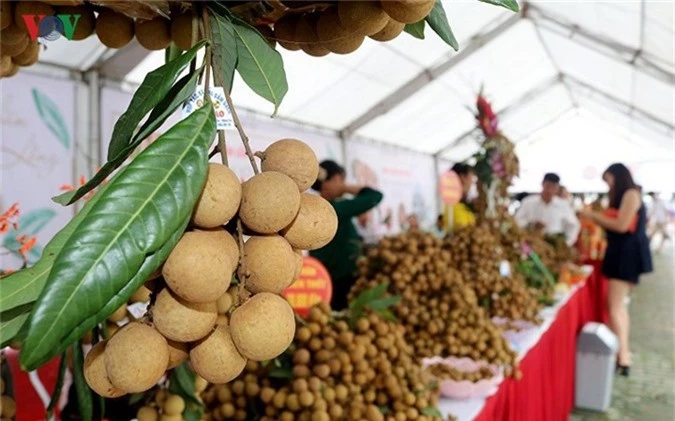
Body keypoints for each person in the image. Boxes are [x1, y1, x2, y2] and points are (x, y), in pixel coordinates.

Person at [579, 163, 653, 376]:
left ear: (618, 176)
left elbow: (621, 225)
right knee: (617, 307)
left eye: (608, 180)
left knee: (615, 307)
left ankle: (622, 356)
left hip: (626, 256)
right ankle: (621, 352)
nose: (608, 185)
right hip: (619, 254)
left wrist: (592, 216)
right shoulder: (624, 195)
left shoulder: (631, 194)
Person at [310, 160, 383, 311]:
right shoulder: (334, 209)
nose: (342, 184)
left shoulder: (319, 208)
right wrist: (345, 188)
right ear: (333, 180)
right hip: (340, 281)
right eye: (340, 180)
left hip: (325, 280)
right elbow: (375, 196)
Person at [514, 173, 580, 246]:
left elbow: (573, 225)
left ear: (557, 189)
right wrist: (531, 224)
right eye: (547, 186)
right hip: (531, 243)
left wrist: (567, 243)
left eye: (553, 187)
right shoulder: (528, 202)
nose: (549, 190)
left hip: (554, 246)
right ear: (542, 185)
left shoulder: (563, 205)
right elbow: (516, 221)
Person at [449, 163, 476, 230]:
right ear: (462, 177)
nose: (472, 183)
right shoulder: (453, 206)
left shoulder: (463, 203)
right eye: (470, 178)